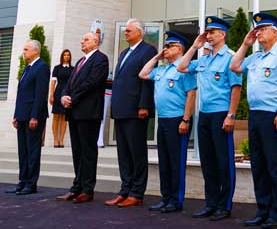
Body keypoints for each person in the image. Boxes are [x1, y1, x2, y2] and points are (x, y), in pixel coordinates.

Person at [230, 12, 277, 229]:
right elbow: (234, 66)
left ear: (274, 32)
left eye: (263, 29)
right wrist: (245, 43)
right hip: (255, 115)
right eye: (256, 29)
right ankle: (262, 210)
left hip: (272, 114)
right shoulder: (256, 57)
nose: (258, 32)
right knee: (258, 164)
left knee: (273, 165)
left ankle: (276, 214)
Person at [179, 15, 241, 221]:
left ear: (222, 34)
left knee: (223, 161)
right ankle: (211, 203)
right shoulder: (203, 58)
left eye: (212, 32)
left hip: (221, 113)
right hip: (204, 114)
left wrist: (231, 115)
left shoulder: (231, 57)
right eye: (207, 32)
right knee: (207, 161)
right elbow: (181, 67)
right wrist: (195, 46)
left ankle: (224, 205)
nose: (209, 35)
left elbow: (236, 88)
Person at [138, 30, 197, 213]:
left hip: (178, 119)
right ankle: (165, 198)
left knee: (176, 161)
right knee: (164, 160)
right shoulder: (162, 69)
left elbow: (191, 95)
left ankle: (175, 200)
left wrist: (185, 120)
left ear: (179, 49)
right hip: (163, 120)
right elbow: (143, 73)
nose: (165, 49)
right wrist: (157, 56)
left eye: (168, 46)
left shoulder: (184, 68)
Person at [106, 19, 158, 208]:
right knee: (124, 153)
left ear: (139, 32)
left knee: (137, 153)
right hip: (121, 109)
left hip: (136, 110)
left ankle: (137, 192)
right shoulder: (124, 53)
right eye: (125, 31)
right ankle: (125, 189)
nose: (125, 33)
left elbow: (147, 81)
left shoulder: (148, 51)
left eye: (128, 31)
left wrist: (144, 105)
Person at [57, 33, 109, 203]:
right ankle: (76, 187)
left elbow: (92, 82)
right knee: (77, 152)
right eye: (82, 39)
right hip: (74, 112)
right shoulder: (79, 62)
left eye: (86, 39)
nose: (82, 41)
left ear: (95, 42)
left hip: (88, 112)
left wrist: (72, 98)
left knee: (88, 152)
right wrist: (64, 96)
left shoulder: (101, 59)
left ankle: (87, 189)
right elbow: (69, 84)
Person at [8, 40, 50, 195]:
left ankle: (31, 184)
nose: (23, 52)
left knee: (32, 151)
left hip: (33, 116)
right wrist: (16, 115)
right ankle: (22, 181)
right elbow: (21, 94)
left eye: (26, 49)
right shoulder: (27, 68)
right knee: (23, 151)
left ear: (35, 51)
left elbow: (40, 94)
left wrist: (34, 116)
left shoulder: (42, 67)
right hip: (22, 115)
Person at [49, 49, 74, 148]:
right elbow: (53, 82)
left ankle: (61, 140)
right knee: (56, 117)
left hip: (67, 93)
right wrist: (51, 95)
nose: (66, 57)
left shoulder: (73, 69)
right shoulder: (57, 68)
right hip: (58, 92)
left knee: (64, 117)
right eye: (65, 55)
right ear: (62, 56)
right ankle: (55, 140)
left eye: (68, 55)